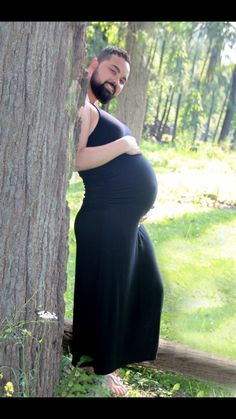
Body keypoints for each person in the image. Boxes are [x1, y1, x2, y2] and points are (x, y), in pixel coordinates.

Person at [72, 46, 164, 396]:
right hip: (106, 217)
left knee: (148, 286)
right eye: (112, 71)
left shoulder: (95, 110)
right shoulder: (84, 108)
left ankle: (105, 364)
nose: (117, 82)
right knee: (107, 296)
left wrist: (137, 203)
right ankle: (100, 372)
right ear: (94, 65)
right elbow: (78, 159)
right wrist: (125, 143)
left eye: (123, 79)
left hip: (123, 218)